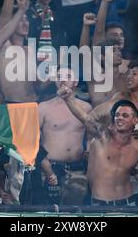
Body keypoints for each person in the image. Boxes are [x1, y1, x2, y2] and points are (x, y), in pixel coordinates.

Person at [39, 67, 92, 205]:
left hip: (78, 168)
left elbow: (92, 136)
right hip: (51, 167)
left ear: (75, 82)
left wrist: (90, 152)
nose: (62, 79)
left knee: (76, 210)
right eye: (59, 76)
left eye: (68, 76)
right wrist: (47, 169)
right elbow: (34, 141)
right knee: (50, 209)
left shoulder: (86, 108)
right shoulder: (43, 107)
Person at [0, 0, 38, 103]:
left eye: (26, 19)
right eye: (19, 20)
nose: (25, 23)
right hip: (14, 107)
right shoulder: (3, 47)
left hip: (34, 104)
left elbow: (36, 85)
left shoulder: (30, 50)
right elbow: (5, 15)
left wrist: (52, 76)